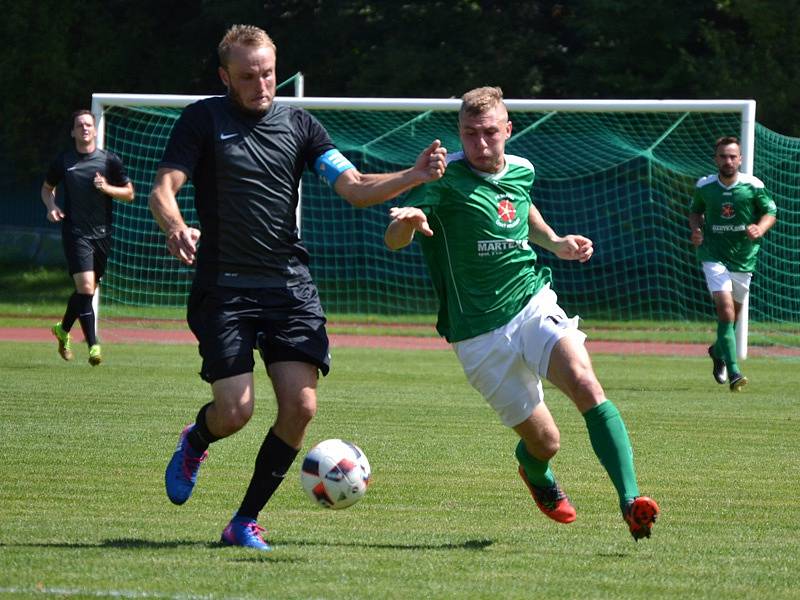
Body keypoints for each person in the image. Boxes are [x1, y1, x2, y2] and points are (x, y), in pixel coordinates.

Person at [148, 24, 446, 552]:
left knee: (301, 407)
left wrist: (414, 175)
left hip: (288, 286)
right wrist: (175, 226)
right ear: (225, 76)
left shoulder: (301, 125)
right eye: (248, 76)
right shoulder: (203, 119)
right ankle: (196, 439)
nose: (261, 84)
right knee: (235, 412)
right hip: (225, 288)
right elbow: (163, 188)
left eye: (268, 73)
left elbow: (354, 189)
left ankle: (243, 522)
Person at [384, 86, 659, 540]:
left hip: (531, 302)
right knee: (545, 442)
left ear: (508, 129)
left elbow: (522, 208)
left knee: (586, 382)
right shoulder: (440, 176)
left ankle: (630, 501)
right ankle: (535, 472)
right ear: (460, 133)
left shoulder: (523, 169)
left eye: (490, 132)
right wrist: (406, 225)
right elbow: (394, 239)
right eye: (470, 134)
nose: (481, 142)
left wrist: (554, 242)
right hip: (476, 334)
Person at [41, 109, 135, 366]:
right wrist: (51, 207)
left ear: (94, 130)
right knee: (85, 288)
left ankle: (63, 330)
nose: (84, 128)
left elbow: (129, 193)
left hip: (103, 234)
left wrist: (106, 188)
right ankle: (94, 345)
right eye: (80, 125)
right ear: (73, 131)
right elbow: (47, 189)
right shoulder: (64, 161)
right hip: (75, 233)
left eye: (88, 125)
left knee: (88, 290)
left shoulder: (109, 161)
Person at [689, 136, 777, 392]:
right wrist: (696, 230)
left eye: (732, 156)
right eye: (723, 156)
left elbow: (770, 212)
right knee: (725, 311)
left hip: (743, 257)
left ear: (740, 158)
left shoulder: (753, 185)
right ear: (715, 159)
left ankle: (718, 352)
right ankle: (735, 372)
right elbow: (695, 211)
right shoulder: (705, 186)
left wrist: (760, 228)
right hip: (712, 255)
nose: (727, 160)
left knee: (732, 318)